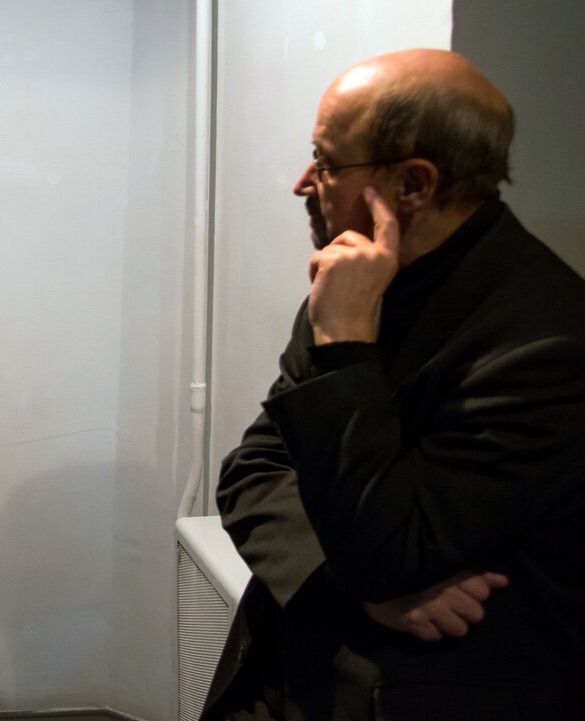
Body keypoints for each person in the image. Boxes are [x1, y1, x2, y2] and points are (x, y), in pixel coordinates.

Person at [200, 49, 585, 721]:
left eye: (325, 162)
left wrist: (346, 344)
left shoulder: (547, 342)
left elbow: (390, 556)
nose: (303, 183)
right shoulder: (357, 281)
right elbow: (252, 467)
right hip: (290, 670)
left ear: (412, 184)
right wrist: (346, 583)